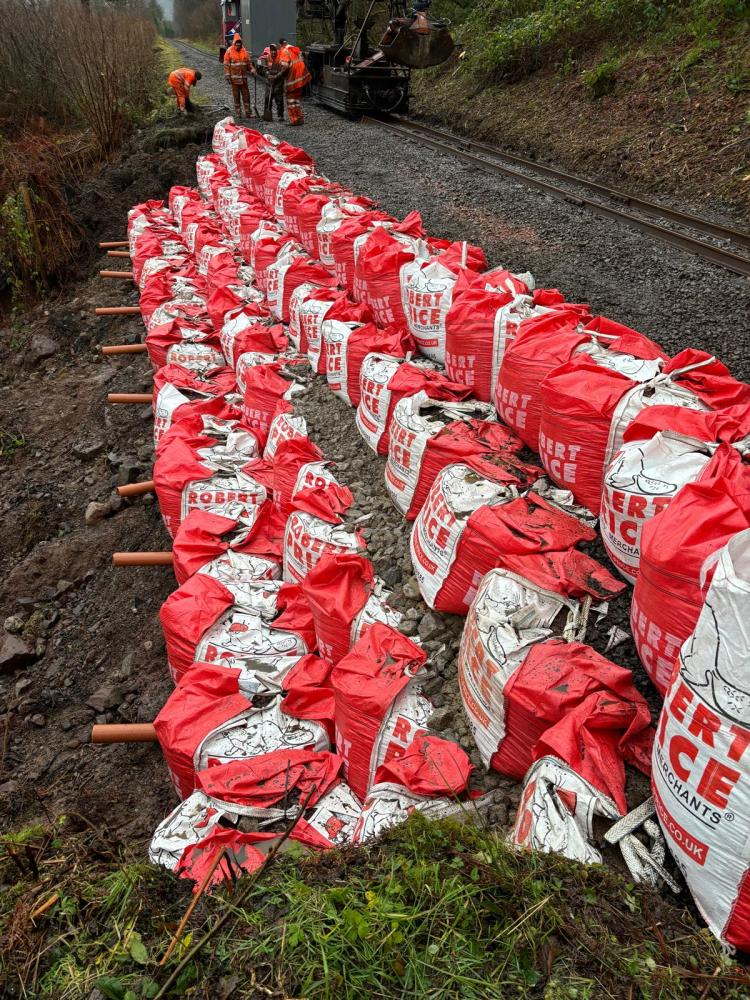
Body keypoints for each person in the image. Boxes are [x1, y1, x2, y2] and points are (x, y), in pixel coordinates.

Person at [278, 39, 311, 125]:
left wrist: (279, 75)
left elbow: (285, 66)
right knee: (296, 99)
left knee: (291, 100)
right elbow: (302, 60)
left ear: (281, 44)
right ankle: (300, 118)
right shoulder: (294, 49)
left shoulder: (284, 51)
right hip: (301, 77)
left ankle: (294, 120)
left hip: (293, 78)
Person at [223, 33, 254, 118]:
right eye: (237, 43)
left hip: (243, 80)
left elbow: (248, 63)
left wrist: (252, 69)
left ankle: (248, 113)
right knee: (236, 97)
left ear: (241, 43)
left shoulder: (244, 51)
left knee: (246, 96)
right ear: (234, 43)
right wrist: (227, 76)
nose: (238, 44)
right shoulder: (229, 51)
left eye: (239, 43)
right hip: (234, 80)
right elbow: (226, 64)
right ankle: (238, 113)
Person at [263, 43, 286, 122]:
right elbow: (265, 68)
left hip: (278, 82)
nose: (273, 52)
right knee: (267, 98)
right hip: (269, 82)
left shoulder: (281, 58)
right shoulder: (267, 57)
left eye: (274, 50)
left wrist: (275, 76)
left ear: (277, 50)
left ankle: (280, 115)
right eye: (272, 50)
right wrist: (268, 74)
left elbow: (283, 70)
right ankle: (267, 114)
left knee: (279, 99)